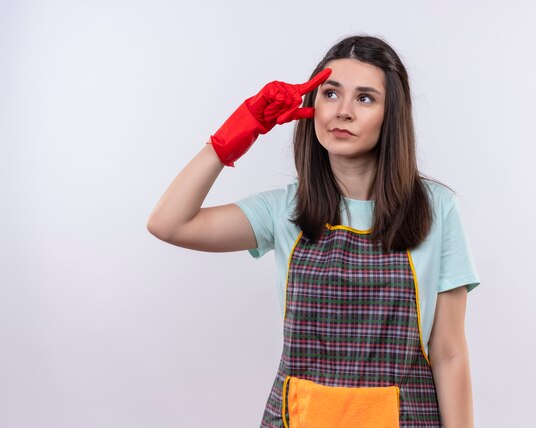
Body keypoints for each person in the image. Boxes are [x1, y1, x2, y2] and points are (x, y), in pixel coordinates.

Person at [147, 35, 480, 428]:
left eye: (365, 98)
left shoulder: (435, 208)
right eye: (331, 94)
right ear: (312, 107)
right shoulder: (284, 210)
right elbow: (168, 223)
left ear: (392, 115)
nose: (343, 111)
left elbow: (449, 352)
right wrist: (235, 135)